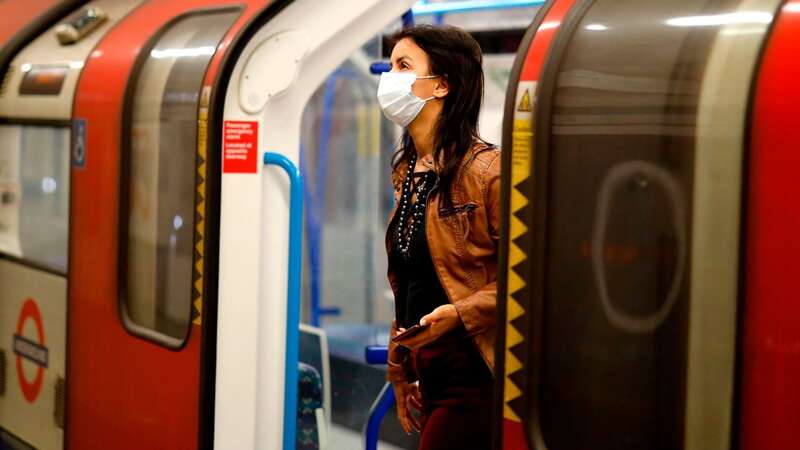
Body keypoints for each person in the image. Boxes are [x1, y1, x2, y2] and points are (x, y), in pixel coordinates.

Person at [377, 24, 501, 450]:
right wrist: (400, 370)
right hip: (429, 373)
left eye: (403, 66)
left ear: (441, 85)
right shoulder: (408, 173)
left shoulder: (488, 173)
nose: (388, 77)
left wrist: (460, 313)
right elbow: (411, 283)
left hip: (476, 373)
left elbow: (532, 283)